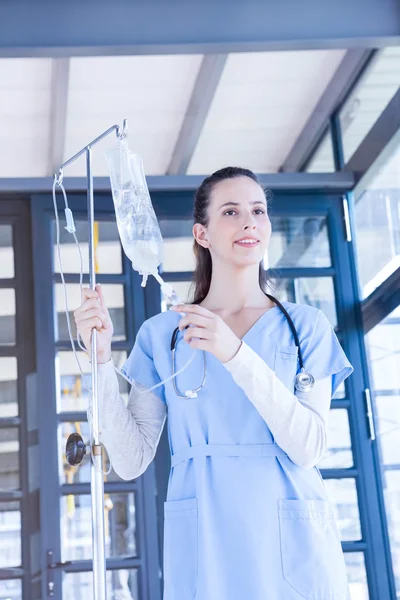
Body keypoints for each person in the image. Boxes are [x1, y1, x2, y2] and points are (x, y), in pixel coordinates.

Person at [74, 166, 354, 600]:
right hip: (205, 538)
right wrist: (98, 361)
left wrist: (235, 354)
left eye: (258, 210)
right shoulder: (164, 333)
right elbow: (130, 459)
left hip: (292, 543)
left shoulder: (306, 327)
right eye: (231, 211)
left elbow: (310, 446)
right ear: (202, 234)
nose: (249, 222)